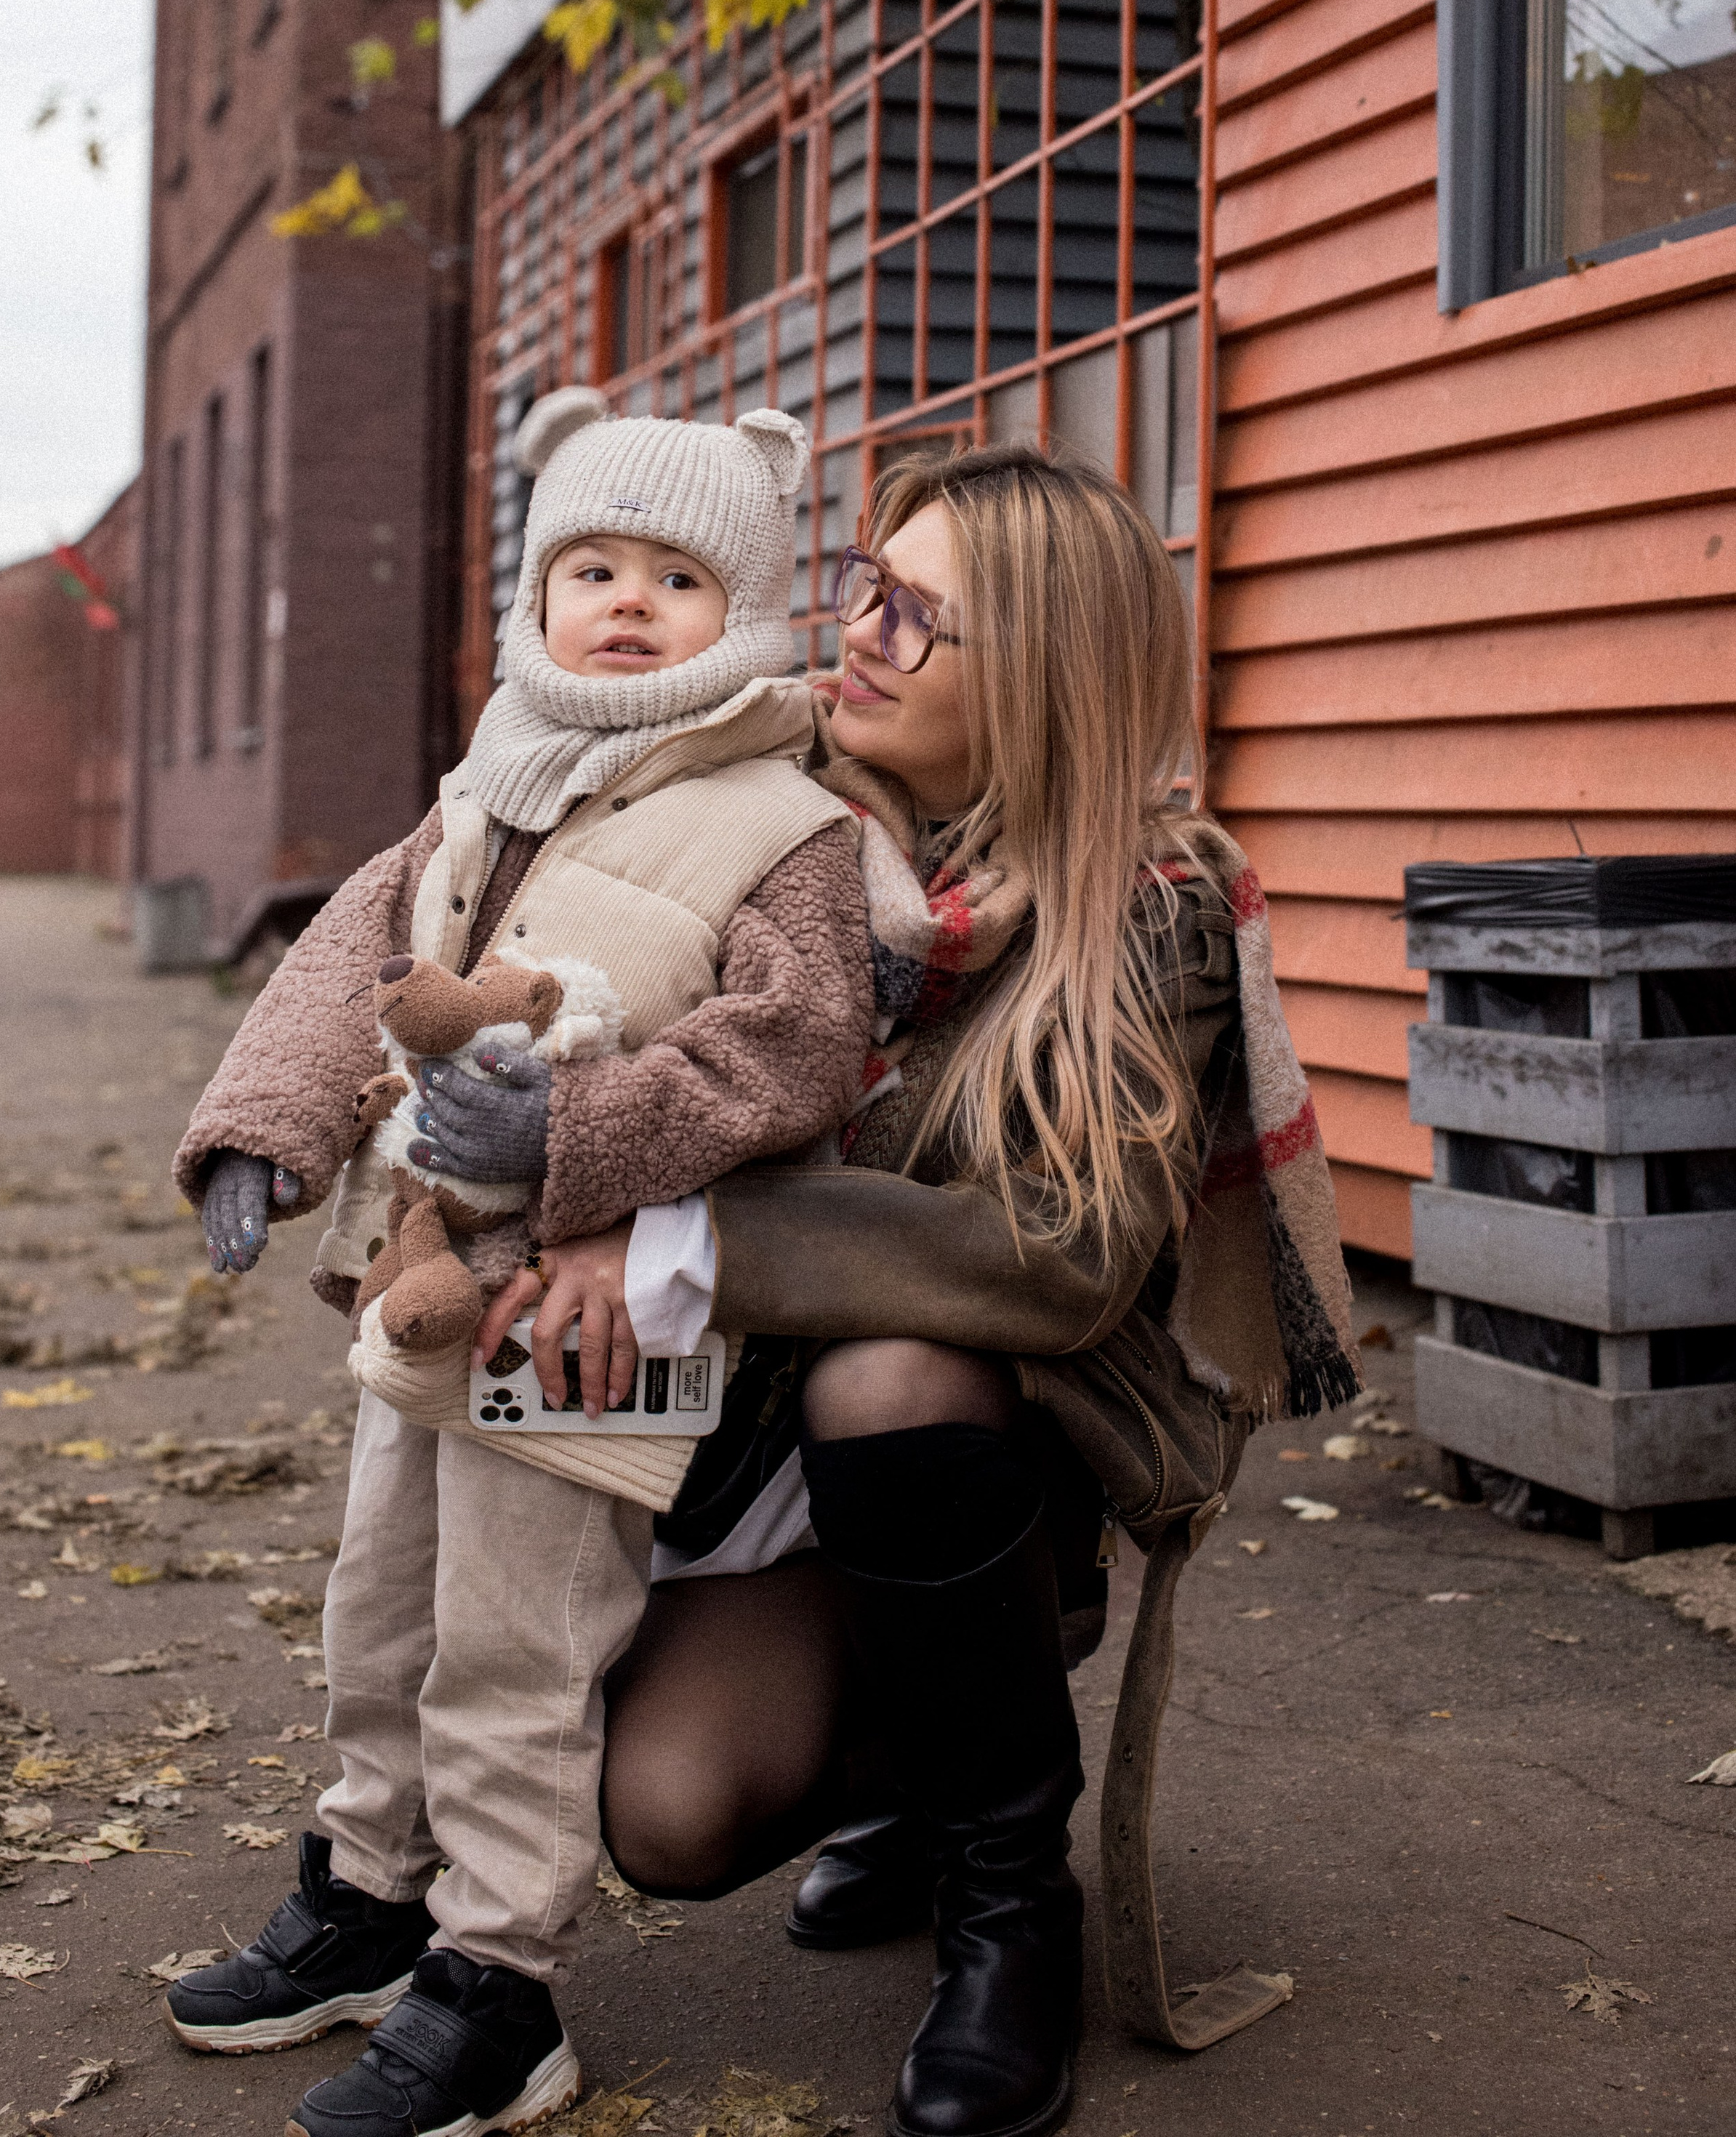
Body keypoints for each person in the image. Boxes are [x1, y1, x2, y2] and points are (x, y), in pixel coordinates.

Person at [468, 443, 1358, 2137]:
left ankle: (1007, 1900)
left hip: (1000, 1439)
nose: (855, 634)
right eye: (865, 587)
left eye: (913, 617)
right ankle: (930, 1735)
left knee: (893, 1369)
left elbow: (1058, 1257)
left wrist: (677, 1234)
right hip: (749, 1435)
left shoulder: (1141, 908)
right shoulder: (758, 817)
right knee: (666, 1819)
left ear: (1033, 672)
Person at [160, 392, 876, 2137]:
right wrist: (269, 1127)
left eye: (678, 577)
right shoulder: (483, 787)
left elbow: (794, 1047)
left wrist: (579, 1138)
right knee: (381, 1600)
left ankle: (502, 1981)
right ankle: (369, 1889)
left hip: (610, 1292)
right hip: (424, 1274)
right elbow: (349, 960)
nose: (627, 602)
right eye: (592, 566)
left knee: (519, 1636)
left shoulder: (784, 823)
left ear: (749, 610)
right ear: (535, 596)